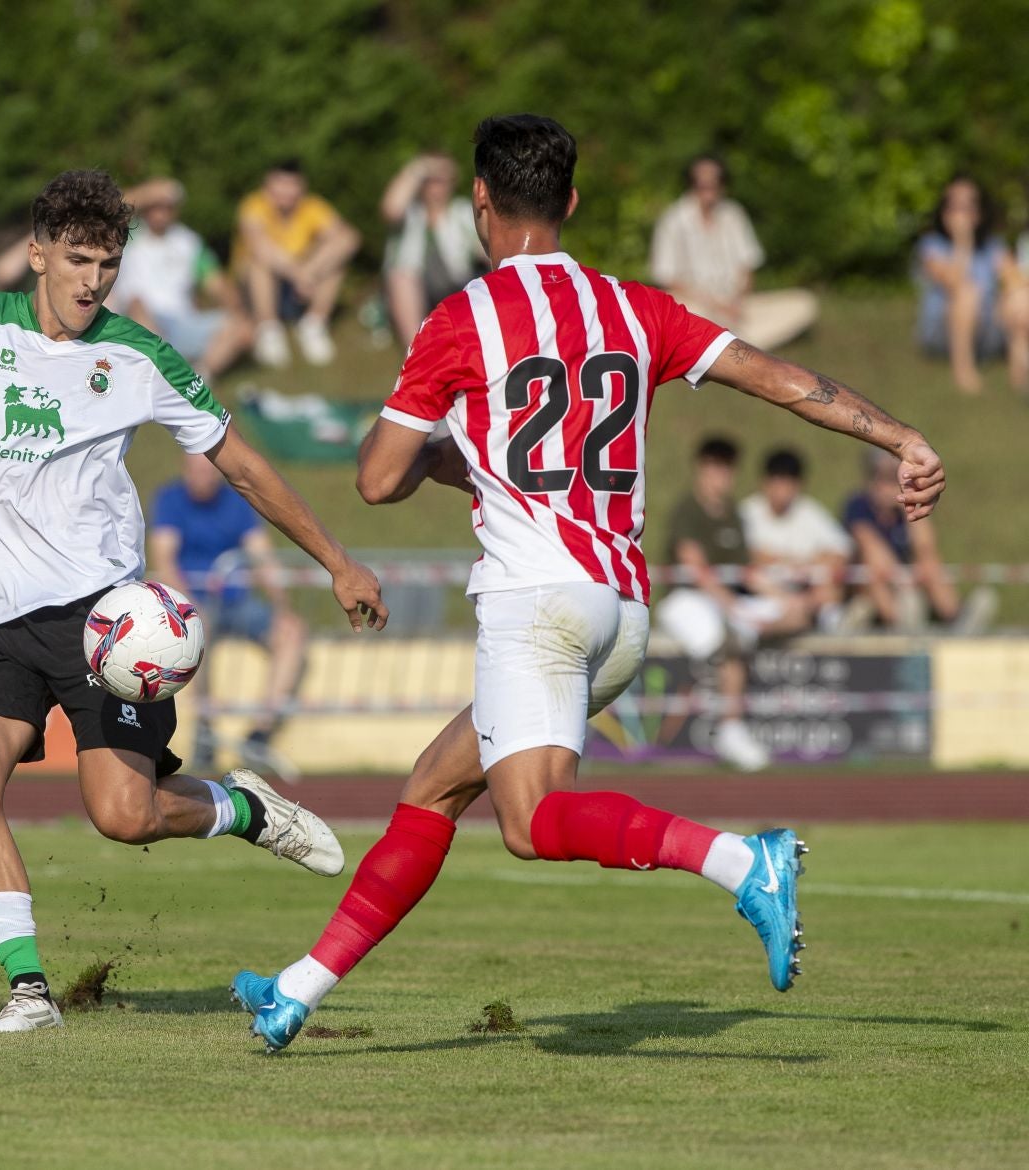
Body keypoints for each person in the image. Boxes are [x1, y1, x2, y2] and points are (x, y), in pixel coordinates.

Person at [230, 114, 947, 1052]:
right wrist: (900, 437)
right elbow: (777, 379)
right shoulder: (634, 307)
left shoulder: (461, 320)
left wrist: (436, 448)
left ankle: (745, 862)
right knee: (438, 788)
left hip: (536, 605)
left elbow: (377, 478)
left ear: (479, 203)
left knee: (529, 823)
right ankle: (296, 991)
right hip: (622, 612)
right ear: (570, 201)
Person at [0, 169, 385, 1034]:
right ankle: (29, 991)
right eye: (76, 259)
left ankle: (244, 808)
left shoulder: (139, 356)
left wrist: (337, 561)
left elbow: (242, 464)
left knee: (125, 814)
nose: (91, 281)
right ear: (36, 253)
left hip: (103, 622)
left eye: (107, 264)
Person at [150, 452, 308, 779]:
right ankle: (205, 729)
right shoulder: (170, 500)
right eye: (196, 470)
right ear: (186, 469)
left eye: (209, 471)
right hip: (192, 603)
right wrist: (189, 607)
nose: (203, 477)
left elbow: (262, 557)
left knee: (291, 633)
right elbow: (165, 559)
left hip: (236, 603)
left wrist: (283, 608)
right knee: (199, 631)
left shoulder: (236, 503)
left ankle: (259, 735)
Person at [657, 436, 811, 772]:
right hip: (687, 598)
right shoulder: (688, 508)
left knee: (797, 613)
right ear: (701, 467)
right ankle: (729, 726)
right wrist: (730, 604)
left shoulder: (733, 515)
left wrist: (784, 598)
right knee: (729, 641)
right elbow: (693, 565)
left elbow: (747, 572)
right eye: (714, 465)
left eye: (726, 467)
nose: (721, 475)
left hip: (726, 600)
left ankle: (742, 650)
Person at [649, 155, 818, 350]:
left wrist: (736, 302)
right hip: (696, 304)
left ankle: (726, 343)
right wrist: (715, 305)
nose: (708, 188)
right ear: (691, 183)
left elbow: (747, 267)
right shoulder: (673, 219)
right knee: (686, 313)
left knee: (804, 303)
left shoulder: (733, 213)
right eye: (701, 183)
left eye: (714, 182)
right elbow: (667, 278)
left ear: (723, 184)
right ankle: (737, 343)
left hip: (736, 304)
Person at [108, 178, 253, 383]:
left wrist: (237, 309)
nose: (160, 213)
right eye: (154, 206)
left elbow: (216, 283)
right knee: (136, 303)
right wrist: (150, 191)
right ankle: (166, 370)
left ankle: (197, 376)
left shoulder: (189, 242)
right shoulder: (127, 234)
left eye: (166, 207)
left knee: (242, 325)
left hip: (181, 319)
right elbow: (105, 207)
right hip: (139, 318)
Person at [843, 448, 994, 634]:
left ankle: (955, 615)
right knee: (873, 559)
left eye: (894, 479)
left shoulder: (902, 508)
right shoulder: (858, 505)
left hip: (904, 582)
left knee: (927, 560)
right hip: (868, 585)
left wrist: (906, 505)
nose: (888, 486)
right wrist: (903, 582)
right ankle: (898, 620)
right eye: (883, 479)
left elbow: (926, 545)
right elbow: (868, 542)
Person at [233, 160, 360, 368]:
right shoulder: (254, 206)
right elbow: (259, 246)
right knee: (259, 262)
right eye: (280, 183)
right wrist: (301, 275)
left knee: (336, 264)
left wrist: (309, 272)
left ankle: (314, 324)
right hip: (257, 290)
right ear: (268, 185)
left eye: (292, 184)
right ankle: (268, 329)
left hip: (298, 286)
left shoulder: (311, 206)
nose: (286, 191)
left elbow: (348, 238)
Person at [914, 176, 1029, 395]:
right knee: (966, 292)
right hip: (942, 334)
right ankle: (963, 371)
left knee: (1020, 295)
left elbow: (1014, 278)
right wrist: (962, 240)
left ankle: (1020, 371)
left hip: (988, 332)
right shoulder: (931, 246)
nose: (961, 213)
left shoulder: (992, 246)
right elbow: (953, 280)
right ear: (943, 211)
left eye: (968, 206)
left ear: (980, 212)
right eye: (953, 205)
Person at [379, 154, 485, 347]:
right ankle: (413, 350)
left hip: (457, 286)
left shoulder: (461, 212)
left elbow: (486, 252)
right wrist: (420, 167)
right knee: (402, 275)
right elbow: (391, 208)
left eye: (444, 180)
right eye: (432, 180)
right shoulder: (410, 213)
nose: (438, 187)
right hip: (412, 288)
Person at [738, 446, 850, 626]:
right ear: (765, 483)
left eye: (788, 483)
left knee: (829, 584)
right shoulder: (748, 512)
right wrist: (795, 563)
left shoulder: (809, 511)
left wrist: (806, 566)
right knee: (755, 577)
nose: (783, 490)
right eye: (778, 481)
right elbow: (749, 555)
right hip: (762, 595)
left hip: (804, 594)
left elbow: (840, 550)